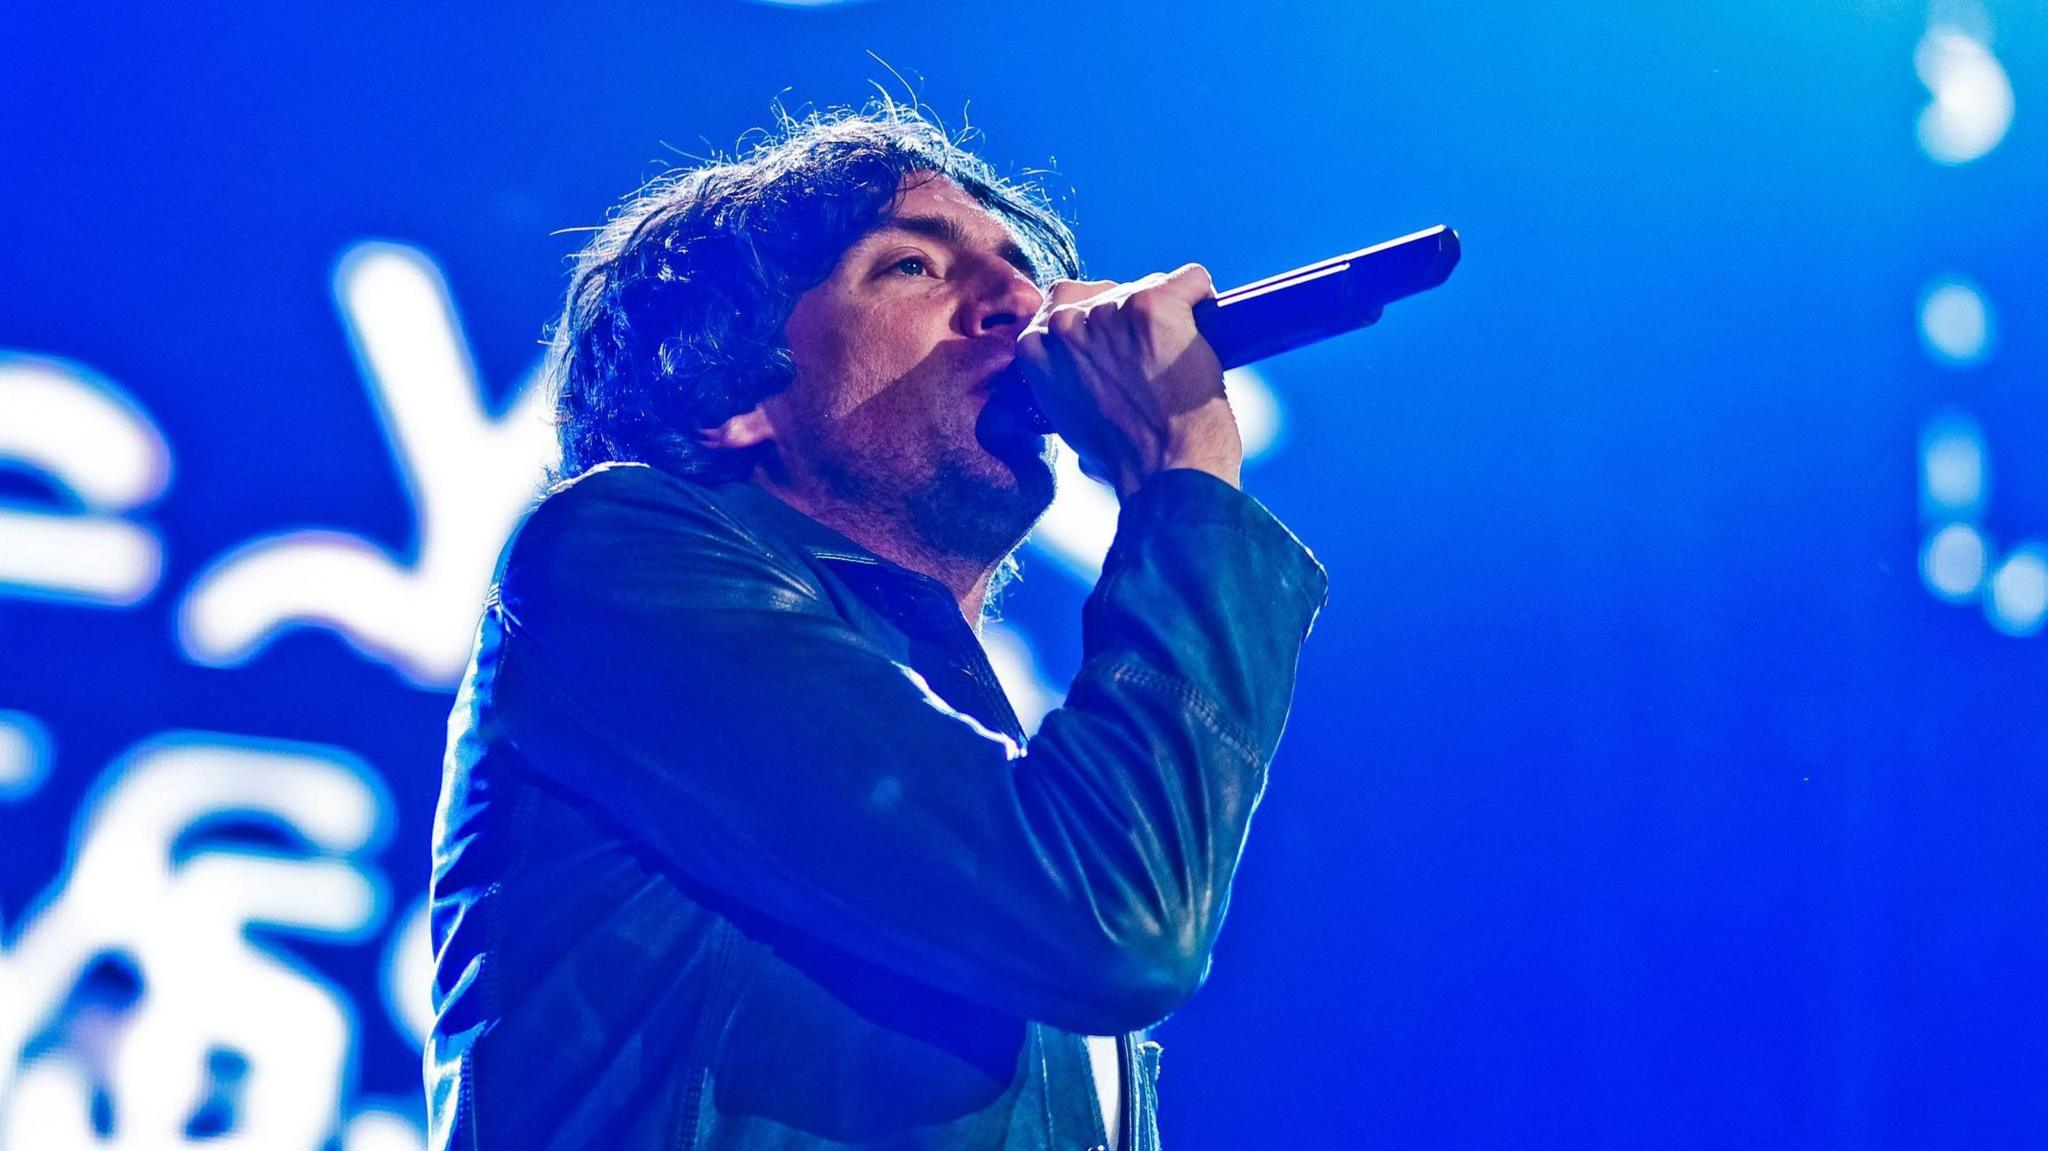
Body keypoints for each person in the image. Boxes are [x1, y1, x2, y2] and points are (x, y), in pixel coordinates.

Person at [426, 103, 1327, 1151]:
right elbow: (1114, 923)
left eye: (1017, 268)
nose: (1016, 304)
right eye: (913, 266)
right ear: (729, 387)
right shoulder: (611, 555)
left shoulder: (967, 748)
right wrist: (1184, 475)